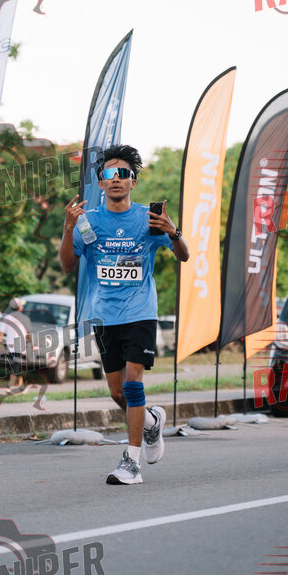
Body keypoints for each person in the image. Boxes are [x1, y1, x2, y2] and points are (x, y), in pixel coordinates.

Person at [59, 144, 189, 484]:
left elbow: (184, 255)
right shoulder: (88, 222)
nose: (116, 179)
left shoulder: (149, 219)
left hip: (140, 312)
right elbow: (68, 265)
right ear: (101, 182)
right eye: (109, 174)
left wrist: (173, 232)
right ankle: (151, 422)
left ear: (133, 181)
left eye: (123, 173)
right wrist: (68, 229)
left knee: (132, 385)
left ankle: (131, 463)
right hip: (104, 316)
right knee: (118, 393)